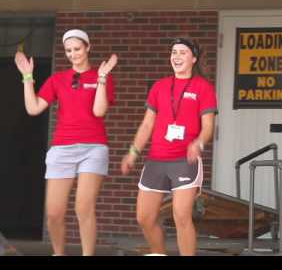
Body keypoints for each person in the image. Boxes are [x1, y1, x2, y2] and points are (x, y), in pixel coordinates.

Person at [14, 29, 118, 256]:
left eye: (77, 49)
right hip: (62, 148)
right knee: (53, 212)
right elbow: (33, 108)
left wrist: (101, 78)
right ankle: (59, 253)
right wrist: (27, 76)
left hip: (93, 148)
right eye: (68, 50)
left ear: (88, 48)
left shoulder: (102, 76)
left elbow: (99, 111)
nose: (73, 54)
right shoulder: (57, 79)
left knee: (83, 207)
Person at [121, 37, 217, 256]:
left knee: (181, 216)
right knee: (144, 218)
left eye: (182, 52)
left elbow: (209, 125)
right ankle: (159, 253)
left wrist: (198, 143)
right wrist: (133, 152)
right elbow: (147, 124)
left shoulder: (203, 87)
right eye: (174, 52)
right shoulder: (160, 86)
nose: (177, 56)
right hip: (156, 159)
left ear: (193, 58)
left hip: (185, 161)